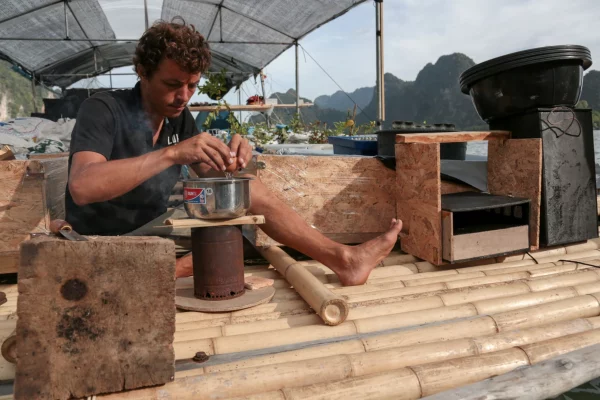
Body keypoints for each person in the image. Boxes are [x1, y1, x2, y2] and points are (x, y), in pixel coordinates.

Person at [65, 19, 403, 286]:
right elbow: (83, 186)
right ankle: (134, 273)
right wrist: (171, 155)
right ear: (142, 72)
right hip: (103, 239)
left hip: (155, 230)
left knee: (240, 218)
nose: (183, 96)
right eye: (172, 85)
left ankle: (344, 260)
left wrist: (235, 159)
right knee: (224, 252)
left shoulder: (177, 118)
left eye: (192, 85)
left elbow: (214, 174)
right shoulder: (104, 109)